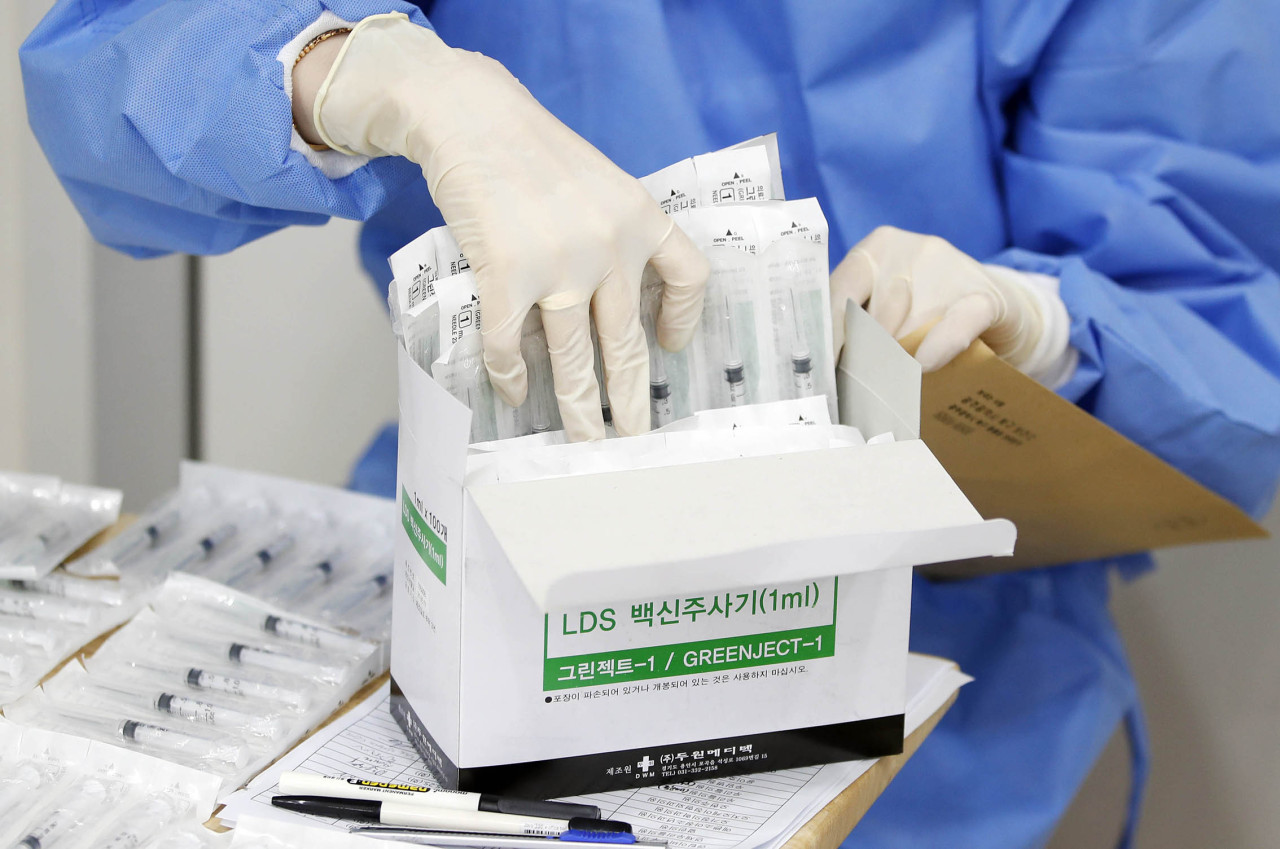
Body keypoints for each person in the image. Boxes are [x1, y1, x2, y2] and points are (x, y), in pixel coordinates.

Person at [20, 2, 1280, 846]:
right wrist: (354, 67)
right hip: (473, 588)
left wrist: (1043, 324)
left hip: (935, 696)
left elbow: (1226, 299)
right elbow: (120, 60)